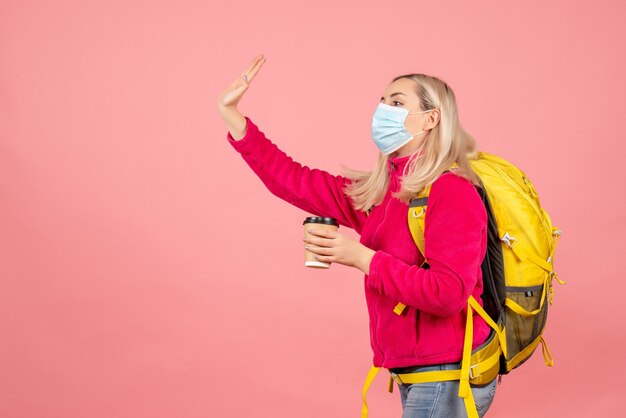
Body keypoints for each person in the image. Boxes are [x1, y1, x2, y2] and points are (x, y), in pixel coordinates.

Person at [218, 54, 497, 418]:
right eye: (382, 102)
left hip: (448, 374)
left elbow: (448, 294)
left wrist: (361, 257)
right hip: (420, 373)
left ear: (431, 118)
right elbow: (292, 180)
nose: (383, 110)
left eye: (397, 102)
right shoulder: (381, 193)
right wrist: (233, 117)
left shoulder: (452, 190)